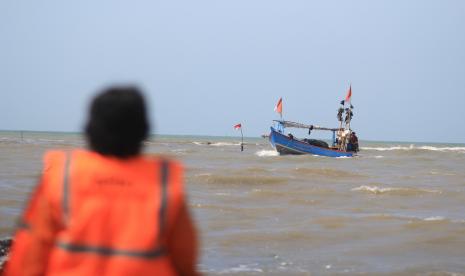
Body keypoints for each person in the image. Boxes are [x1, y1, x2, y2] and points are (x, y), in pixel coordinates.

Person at [3, 86, 199, 276]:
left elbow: (27, 260)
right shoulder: (164, 184)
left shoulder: (62, 178)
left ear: (89, 128)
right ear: (144, 131)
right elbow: (184, 263)